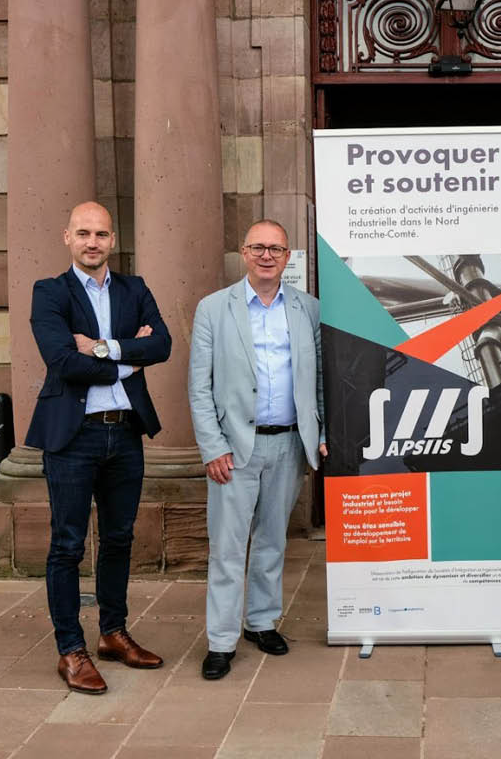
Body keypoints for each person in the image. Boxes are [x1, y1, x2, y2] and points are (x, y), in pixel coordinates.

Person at [27, 201, 172, 694]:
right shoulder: (50, 292)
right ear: (67, 237)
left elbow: (163, 345)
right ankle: (71, 649)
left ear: (113, 240)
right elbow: (63, 361)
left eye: (102, 234)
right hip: (74, 436)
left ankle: (112, 632)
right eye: (84, 233)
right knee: (67, 545)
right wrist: (130, 357)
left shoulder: (135, 289)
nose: (93, 242)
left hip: (125, 432)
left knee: (119, 539)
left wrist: (104, 347)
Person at [188, 219, 326, 680]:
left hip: (288, 443)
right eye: (259, 248)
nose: (267, 256)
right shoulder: (214, 309)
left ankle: (261, 622)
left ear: (288, 257)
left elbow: (319, 379)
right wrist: (212, 447)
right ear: (244, 253)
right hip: (233, 449)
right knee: (227, 549)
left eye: (276, 249)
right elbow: (199, 386)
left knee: (272, 542)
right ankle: (221, 641)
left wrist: (320, 432)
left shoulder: (308, 309)